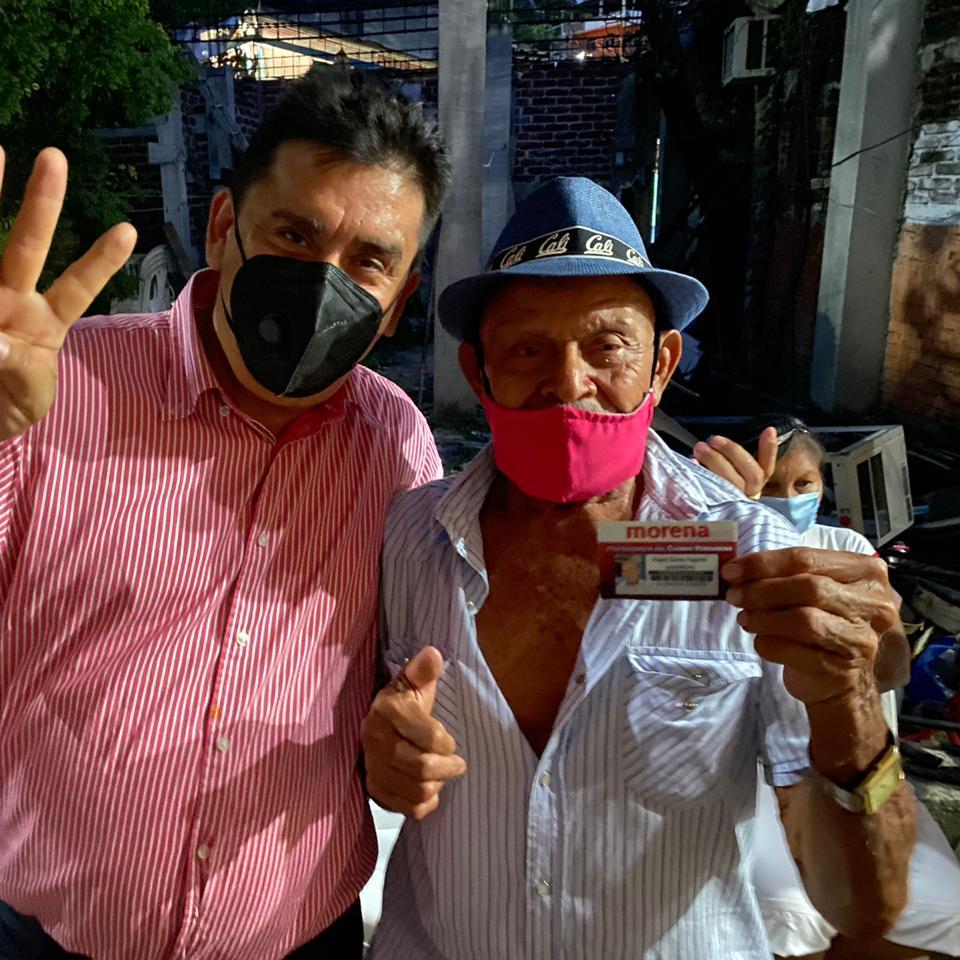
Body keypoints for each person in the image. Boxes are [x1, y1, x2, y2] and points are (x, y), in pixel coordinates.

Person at [0, 67, 449, 960]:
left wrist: (402, 741)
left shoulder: (393, 443)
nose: (321, 281)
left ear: (399, 298)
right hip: (46, 942)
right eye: (293, 234)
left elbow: (397, 670)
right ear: (224, 227)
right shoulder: (48, 391)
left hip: (297, 937)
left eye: (369, 261)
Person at [360, 178, 916, 959]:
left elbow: (864, 906)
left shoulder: (758, 561)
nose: (569, 383)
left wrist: (848, 706)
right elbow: (364, 747)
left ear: (662, 363)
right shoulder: (407, 540)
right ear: (477, 372)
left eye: (608, 345)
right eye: (527, 349)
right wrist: (380, 762)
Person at [694, 420, 960, 960]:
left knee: (934, 908)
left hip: (834, 756)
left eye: (804, 484)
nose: (789, 498)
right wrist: (729, 526)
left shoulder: (844, 550)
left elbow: (892, 671)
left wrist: (854, 653)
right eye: (772, 486)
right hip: (744, 766)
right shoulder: (711, 550)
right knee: (787, 909)